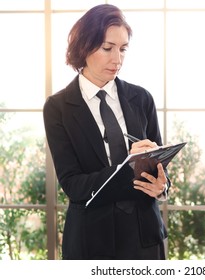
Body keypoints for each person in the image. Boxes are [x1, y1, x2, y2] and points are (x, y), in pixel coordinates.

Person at [43, 4, 169, 260]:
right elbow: (73, 185)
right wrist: (127, 167)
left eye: (123, 49)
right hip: (90, 242)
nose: (117, 59)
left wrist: (162, 187)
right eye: (107, 48)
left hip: (144, 240)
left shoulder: (142, 99)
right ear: (84, 46)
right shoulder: (58, 108)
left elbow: (160, 167)